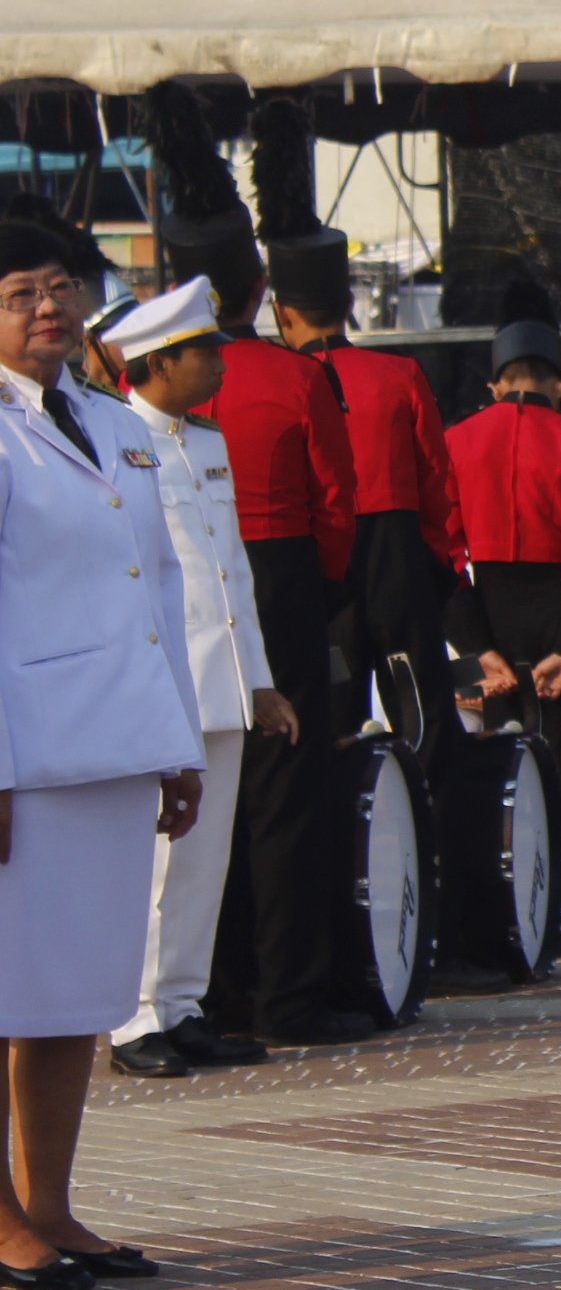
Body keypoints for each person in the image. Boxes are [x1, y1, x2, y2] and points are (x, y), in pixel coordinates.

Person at [0, 222, 208, 1286]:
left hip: (115, 746)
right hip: (25, 756)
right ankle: (1, 1221)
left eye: (64, 286)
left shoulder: (108, 420)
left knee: (73, 995)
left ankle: (53, 1207)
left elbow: (159, 592)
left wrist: (176, 740)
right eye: (22, 292)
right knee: (3, 994)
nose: (50, 307)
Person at [142, 86, 367, 1050]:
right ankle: (283, 996)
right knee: (281, 813)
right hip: (278, 586)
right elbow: (335, 509)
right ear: (253, 293)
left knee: (200, 823)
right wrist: (326, 599)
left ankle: (210, 993)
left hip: (208, 602)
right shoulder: (296, 376)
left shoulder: (166, 405)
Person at [105, 281, 301, 1079]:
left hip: (218, 684)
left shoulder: (207, 442)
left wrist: (258, 680)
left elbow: (232, 576)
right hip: (159, 682)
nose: (220, 365)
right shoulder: (114, 435)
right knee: (155, 861)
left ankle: (183, 1006)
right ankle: (133, 1018)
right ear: (158, 362)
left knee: (205, 859)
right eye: (205, 353)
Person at [250, 98, 467, 757]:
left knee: (331, 719)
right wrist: (441, 571)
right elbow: (438, 486)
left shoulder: (276, 383)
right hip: (398, 556)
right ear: (349, 304)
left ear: (282, 314)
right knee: (420, 719)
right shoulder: (399, 377)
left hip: (323, 564)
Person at [447, 280, 561, 765]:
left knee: (502, 767)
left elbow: (443, 551)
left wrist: (475, 645)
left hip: (489, 612)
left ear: (495, 386)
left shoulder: (457, 440)